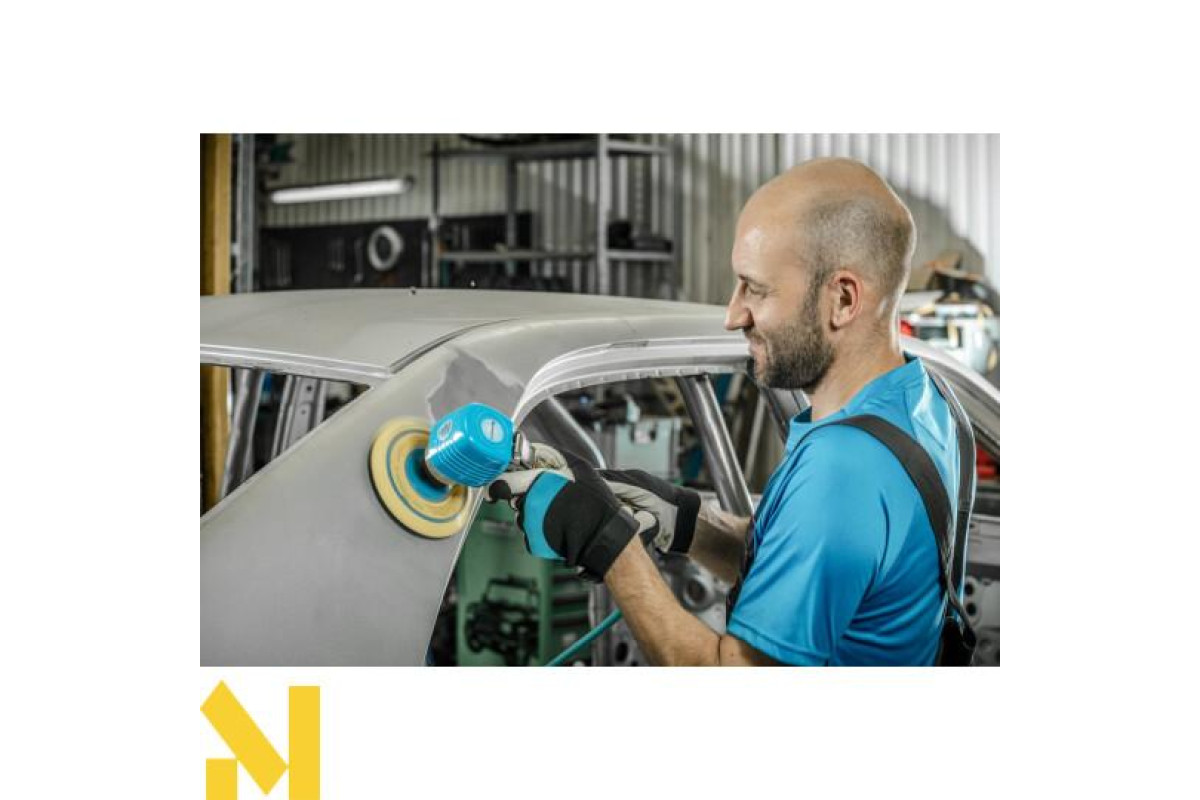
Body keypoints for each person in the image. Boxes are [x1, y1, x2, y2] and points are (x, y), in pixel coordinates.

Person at [488, 157, 963, 666]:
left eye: (755, 288)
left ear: (843, 300)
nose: (733, 315)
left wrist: (610, 547)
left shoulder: (842, 471)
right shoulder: (924, 402)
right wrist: (686, 521)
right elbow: (809, 567)